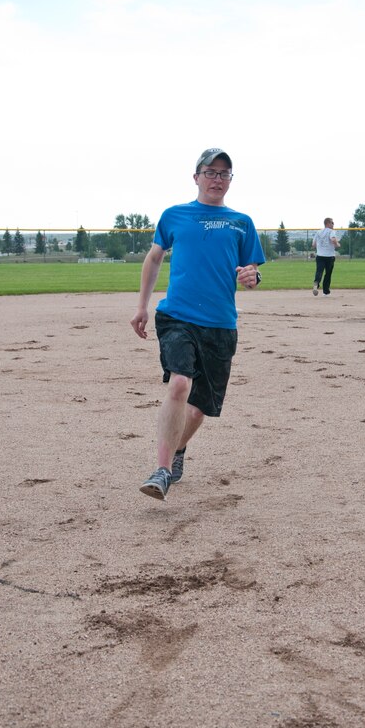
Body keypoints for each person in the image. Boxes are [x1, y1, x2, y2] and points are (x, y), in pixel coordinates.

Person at [130, 148, 265, 502]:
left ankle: (177, 451)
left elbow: (251, 271)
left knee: (200, 407)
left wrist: (253, 276)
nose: (217, 179)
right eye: (211, 172)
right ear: (196, 176)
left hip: (220, 324)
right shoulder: (175, 216)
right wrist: (142, 306)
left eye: (225, 174)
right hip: (177, 316)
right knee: (179, 383)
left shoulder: (242, 222)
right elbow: (154, 257)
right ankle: (161, 472)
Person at [311, 217, 340, 295]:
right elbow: (333, 240)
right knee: (328, 274)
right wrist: (337, 244)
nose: (333, 224)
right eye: (332, 223)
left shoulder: (318, 232)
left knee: (319, 271)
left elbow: (313, 245)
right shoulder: (331, 231)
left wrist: (321, 247)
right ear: (328, 223)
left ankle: (316, 283)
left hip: (320, 256)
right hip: (329, 256)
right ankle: (326, 292)